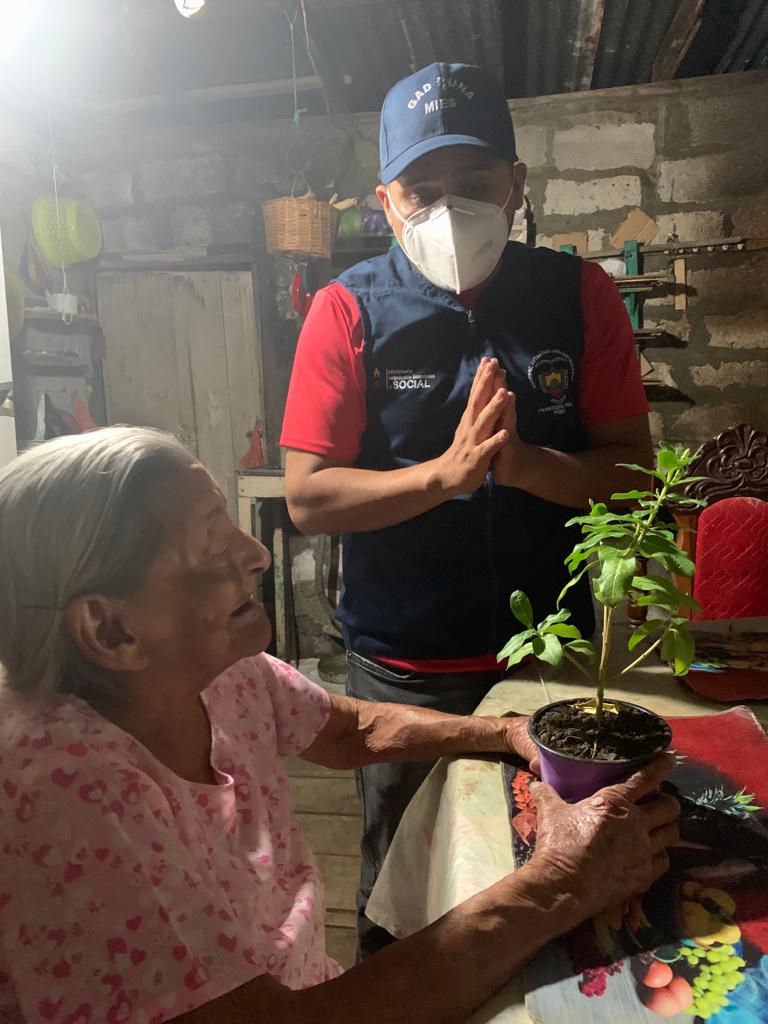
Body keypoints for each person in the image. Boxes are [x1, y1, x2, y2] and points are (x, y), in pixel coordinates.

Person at [0, 428, 679, 1024]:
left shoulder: (219, 671)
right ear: (111, 629)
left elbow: (351, 728)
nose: (256, 554)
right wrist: (562, 880)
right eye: (211, 544)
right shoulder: (65, 792)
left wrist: (505, 732)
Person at [281, 61, 655, 956]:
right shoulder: (347, 310)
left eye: (474, 181)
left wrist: (524, 467)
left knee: (559, 875)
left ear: (515, 184)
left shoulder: (578, 296)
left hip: (553, 661)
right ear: (387, 201)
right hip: (408, 670)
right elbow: (308, 495)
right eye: (422, 188)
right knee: (404, 895)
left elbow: (633, 478)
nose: (449, 207)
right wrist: (443, 478)